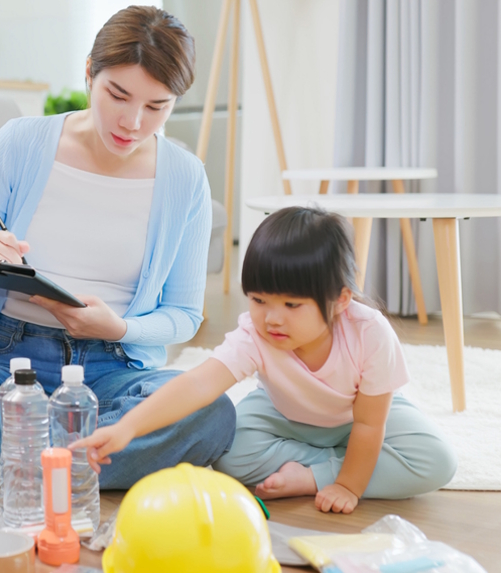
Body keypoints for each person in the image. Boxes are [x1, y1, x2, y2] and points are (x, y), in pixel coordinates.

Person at [0, 5, 236, 491]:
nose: (133, 122)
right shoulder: (21, 143)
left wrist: (119, 327)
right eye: (118, 95)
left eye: (157, 107)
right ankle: (65, 457)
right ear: (89, 73)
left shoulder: (185, 177)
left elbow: (183, 315)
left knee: (212, 411)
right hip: (9, 366)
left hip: (115, 370)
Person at [72, 206, 458, 513]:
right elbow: (199, 382)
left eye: (291, 305)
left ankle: (313, 475)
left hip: (359, 416)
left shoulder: (369, 332)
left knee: (436, 461)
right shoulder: (255, 334)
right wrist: (127, 428)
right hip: (284, 414)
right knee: (230, 457)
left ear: (340, 300)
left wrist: (345, 484)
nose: (272, 318)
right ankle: (338, 463)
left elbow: (371, 425)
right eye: (259, 300)